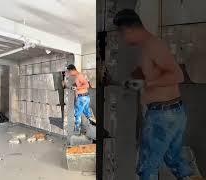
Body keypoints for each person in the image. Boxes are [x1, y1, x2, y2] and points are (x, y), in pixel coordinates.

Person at [113, 9, 200, 180]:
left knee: (147, 166)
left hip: (163, 115)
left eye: (121, 34)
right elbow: (150, 70)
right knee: (174, 159)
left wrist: (146, 83)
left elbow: (177, 75)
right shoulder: (146, 47)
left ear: (129, 29)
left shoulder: (153, 45)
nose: (122, 39)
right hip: (173, 113)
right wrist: (133, 78)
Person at [64, 64, 96, 134]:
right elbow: (80, 83)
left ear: (72, 70)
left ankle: (76, 132)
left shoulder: (79, 76)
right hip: (85, 97)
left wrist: (77, 88)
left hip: (82, 98)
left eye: (69, 72)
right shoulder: (78, 76)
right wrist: (75, 85)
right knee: (87, 114)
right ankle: (93, 129)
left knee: (77, 114)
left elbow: (87, 85)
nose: (69, 73)